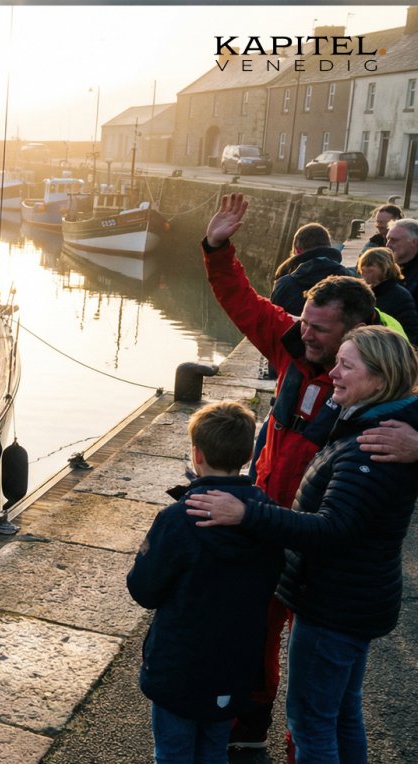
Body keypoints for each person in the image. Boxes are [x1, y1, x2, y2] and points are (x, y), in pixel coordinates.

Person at [185, 326, 418, 764]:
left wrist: (247, 514)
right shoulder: (378, 426)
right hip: (356, 598)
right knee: (342, 714)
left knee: (311, 723)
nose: (333, 374)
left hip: (335, 605)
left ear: (381, 380)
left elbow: (332, 531)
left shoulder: (371, 447)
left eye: (347, 366)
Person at [202, 193, 377, 749]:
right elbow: (243, 302)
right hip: (270, 524)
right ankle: (248, 728)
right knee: (255, 632)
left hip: (325, 549)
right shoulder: (292, 348)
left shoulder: (374, 390)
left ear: (355, 331)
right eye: (304, 322)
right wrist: (216, 248)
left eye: (320, 330)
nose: (306, 334)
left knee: (317, 676)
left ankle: (305, 748)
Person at [127, 401, 284, 763]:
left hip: (178, 668)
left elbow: (144, 590)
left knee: (173, 751)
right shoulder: (267, 517)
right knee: (214, 749)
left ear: (197, 455)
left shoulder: (178, 519)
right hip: (234, 665)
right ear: (247, 455)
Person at [271, 222, 354, 317]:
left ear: (297, 250)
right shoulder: (348, 279)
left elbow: (272, 321)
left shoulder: (284, 283)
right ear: (329, 247)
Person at [357, 247, 418, 343]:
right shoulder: (361, 293)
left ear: (385, 267)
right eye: (363, 264)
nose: (364, 268)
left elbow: (410, 331)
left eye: (369, 265)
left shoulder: (400, 296)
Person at [384, 217, 418, 300]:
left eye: (394, 240)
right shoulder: (384, 265)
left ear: (414, 242)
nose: (387, 245)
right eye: (387, 239)